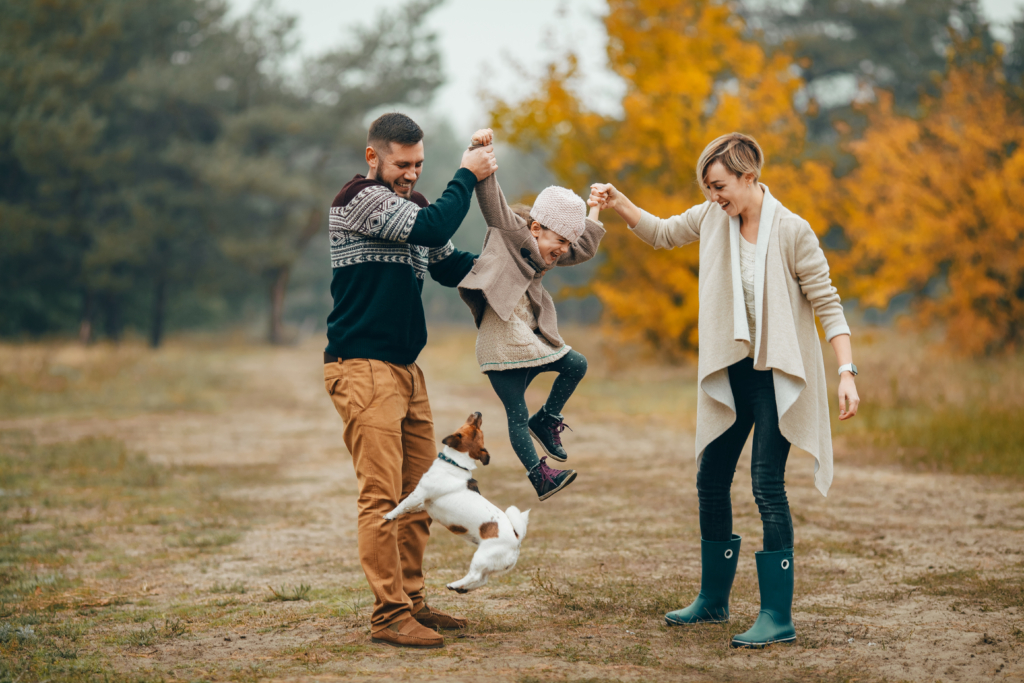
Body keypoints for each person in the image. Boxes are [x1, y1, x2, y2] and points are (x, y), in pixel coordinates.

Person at [590, 132, 860, 649]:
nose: (714, 197)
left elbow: (829, 304)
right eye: (708, 188)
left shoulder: (793, 232)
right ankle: (713, 601)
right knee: (710, 478)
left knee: (766, 486)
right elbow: (663, 232)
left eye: (720, 186)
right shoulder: (714, 218)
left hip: (777, 379)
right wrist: (619, 201)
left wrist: (847, 373)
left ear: (748, 177)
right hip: (731, 372)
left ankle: (776, 617)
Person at [323, 112, 497, 649]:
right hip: (363, 368)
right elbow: (431, 228)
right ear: (373, 157)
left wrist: (525, 255)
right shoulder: (358, 200)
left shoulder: (413, 208)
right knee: (381, 499)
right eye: (402, 164)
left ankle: (413, 603)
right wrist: (465, 174)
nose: (411, 175)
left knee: (424, 493)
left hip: (406, 370)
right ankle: (388, 616)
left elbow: (451, 265)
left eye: (419, 165)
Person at [457, 129, 605, 501]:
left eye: (567, 243)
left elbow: (585, 245)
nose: (564, 250)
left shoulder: (550, 248)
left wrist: (596, 207)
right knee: (516, 414)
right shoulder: (511, 233)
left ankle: (548, 418)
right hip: (499, 339)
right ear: (536, 228)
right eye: (559, 240)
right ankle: (541, 476)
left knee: (576, 364)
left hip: (526, 338)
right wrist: (481, 149)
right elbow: (490, 197)